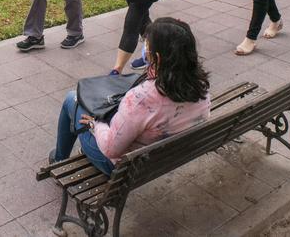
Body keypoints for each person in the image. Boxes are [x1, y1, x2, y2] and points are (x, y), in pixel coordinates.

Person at [49, 18, 211, 175]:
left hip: (125, 168)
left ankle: (58, 160)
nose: (145, 50)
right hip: (166, 158)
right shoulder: (200, 85)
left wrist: (95, 124)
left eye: (147, 47)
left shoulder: (142, 97)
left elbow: (110, 150)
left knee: (72, 99)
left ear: (158, 58)